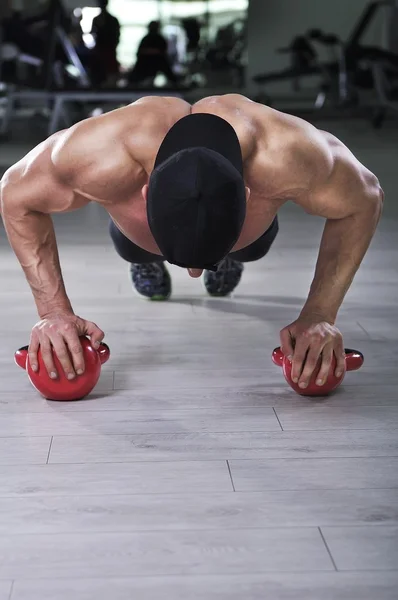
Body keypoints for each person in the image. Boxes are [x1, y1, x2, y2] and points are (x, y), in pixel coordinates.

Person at [0, 94, 383, 392]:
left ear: (248, 195)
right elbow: (14, 195)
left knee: (251, 245)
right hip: (141, 228)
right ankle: (148, 255)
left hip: (245, 226)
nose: (193, 273)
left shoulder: (288, 154)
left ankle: (233, 252)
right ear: (146, 192)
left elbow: (365, 199)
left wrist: (319, 315)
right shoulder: (97, 156)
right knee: (136, 245)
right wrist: (53, 311)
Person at [129, 20, 178, 85]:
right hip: (144, 63)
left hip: (157, 62)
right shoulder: (147, 39)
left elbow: (163, 52)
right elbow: (139, 52)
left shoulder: (159, 39)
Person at [90, 0, 120, 85]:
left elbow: (117, 35)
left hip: (108, 49)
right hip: (101, 50)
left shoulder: (111, 19)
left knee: (110, 73)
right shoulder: (97, 19)